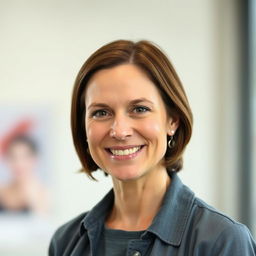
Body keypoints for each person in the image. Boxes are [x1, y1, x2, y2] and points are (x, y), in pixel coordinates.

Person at [49, 40, 256, 255]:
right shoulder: (65, 242)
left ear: (172, 121)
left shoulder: (221, 240)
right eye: (101, 113)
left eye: (139, 109)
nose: (119, 131)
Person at [0, 135, 48, 215]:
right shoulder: (2, 190)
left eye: (24, 157)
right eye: (13, 157)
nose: (18, 163)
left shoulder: (42, 194)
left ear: (34, 159)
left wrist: (32, 198)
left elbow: (42, 223)